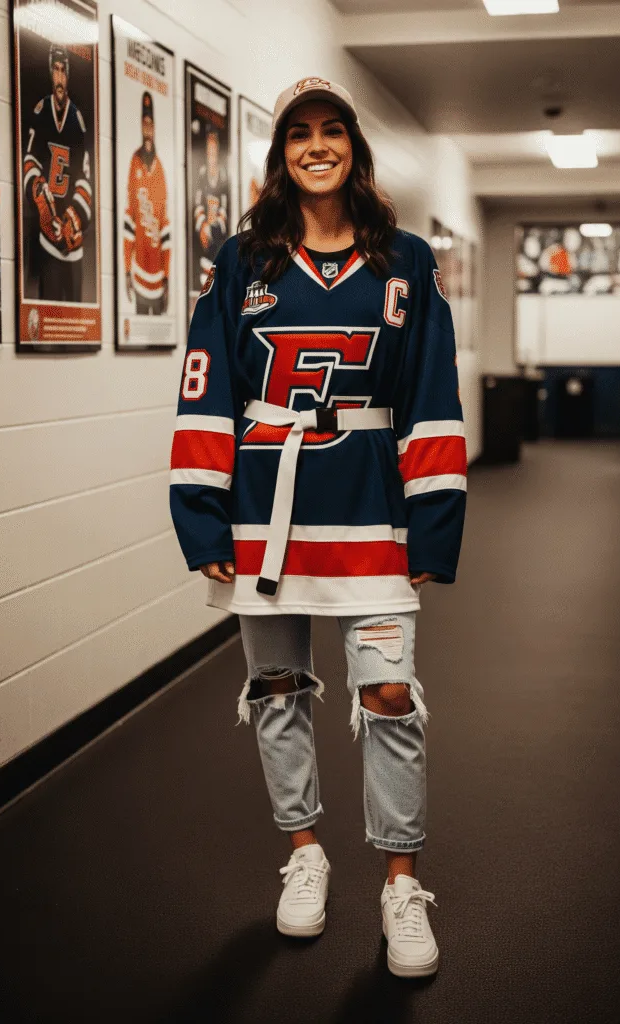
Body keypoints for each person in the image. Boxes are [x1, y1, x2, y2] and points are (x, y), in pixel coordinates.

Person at [169, 77, 468, 978]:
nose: (315, 145)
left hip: (370, 514)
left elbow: (431, 398)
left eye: (331, 129)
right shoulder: (242, 262)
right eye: (298, 132)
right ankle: (304, 852)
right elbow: (204, 389)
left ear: (352, 146)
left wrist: (433, 523)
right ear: (279, 152)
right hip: (266, 513)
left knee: (386, 696)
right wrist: (201, 513)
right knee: (279, 690)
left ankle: (400, 883)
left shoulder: (405, 261)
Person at [23, 44, 93, 303]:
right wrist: (39, 196)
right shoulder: (41, 112)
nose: (60, 77)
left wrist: (72, 217)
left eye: (64, 71)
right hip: (46, 240)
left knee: (75, 319)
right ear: (50, 72)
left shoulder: (77, 120)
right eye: (56, 70)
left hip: (72, 245)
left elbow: (86, 181)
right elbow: (29, 161)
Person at [124, 90, 171, 315]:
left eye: (151, 124)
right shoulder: (134, 163)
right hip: (140, 273)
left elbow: (165, 226)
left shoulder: (160, 168)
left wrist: (168, 277)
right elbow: (129, 220)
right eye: (144, 124)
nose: (148, 129)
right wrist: (125, 271)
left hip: (158, 277)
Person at [192, 125, 228, 292]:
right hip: (204, 232)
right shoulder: (202, 174)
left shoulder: (222, 175)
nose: (211, 155)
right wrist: (203, 224)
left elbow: (224, 205)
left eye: (214, 151)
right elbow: (198, 203)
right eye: (209, 151)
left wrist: (217, 225)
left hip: (218, 234)